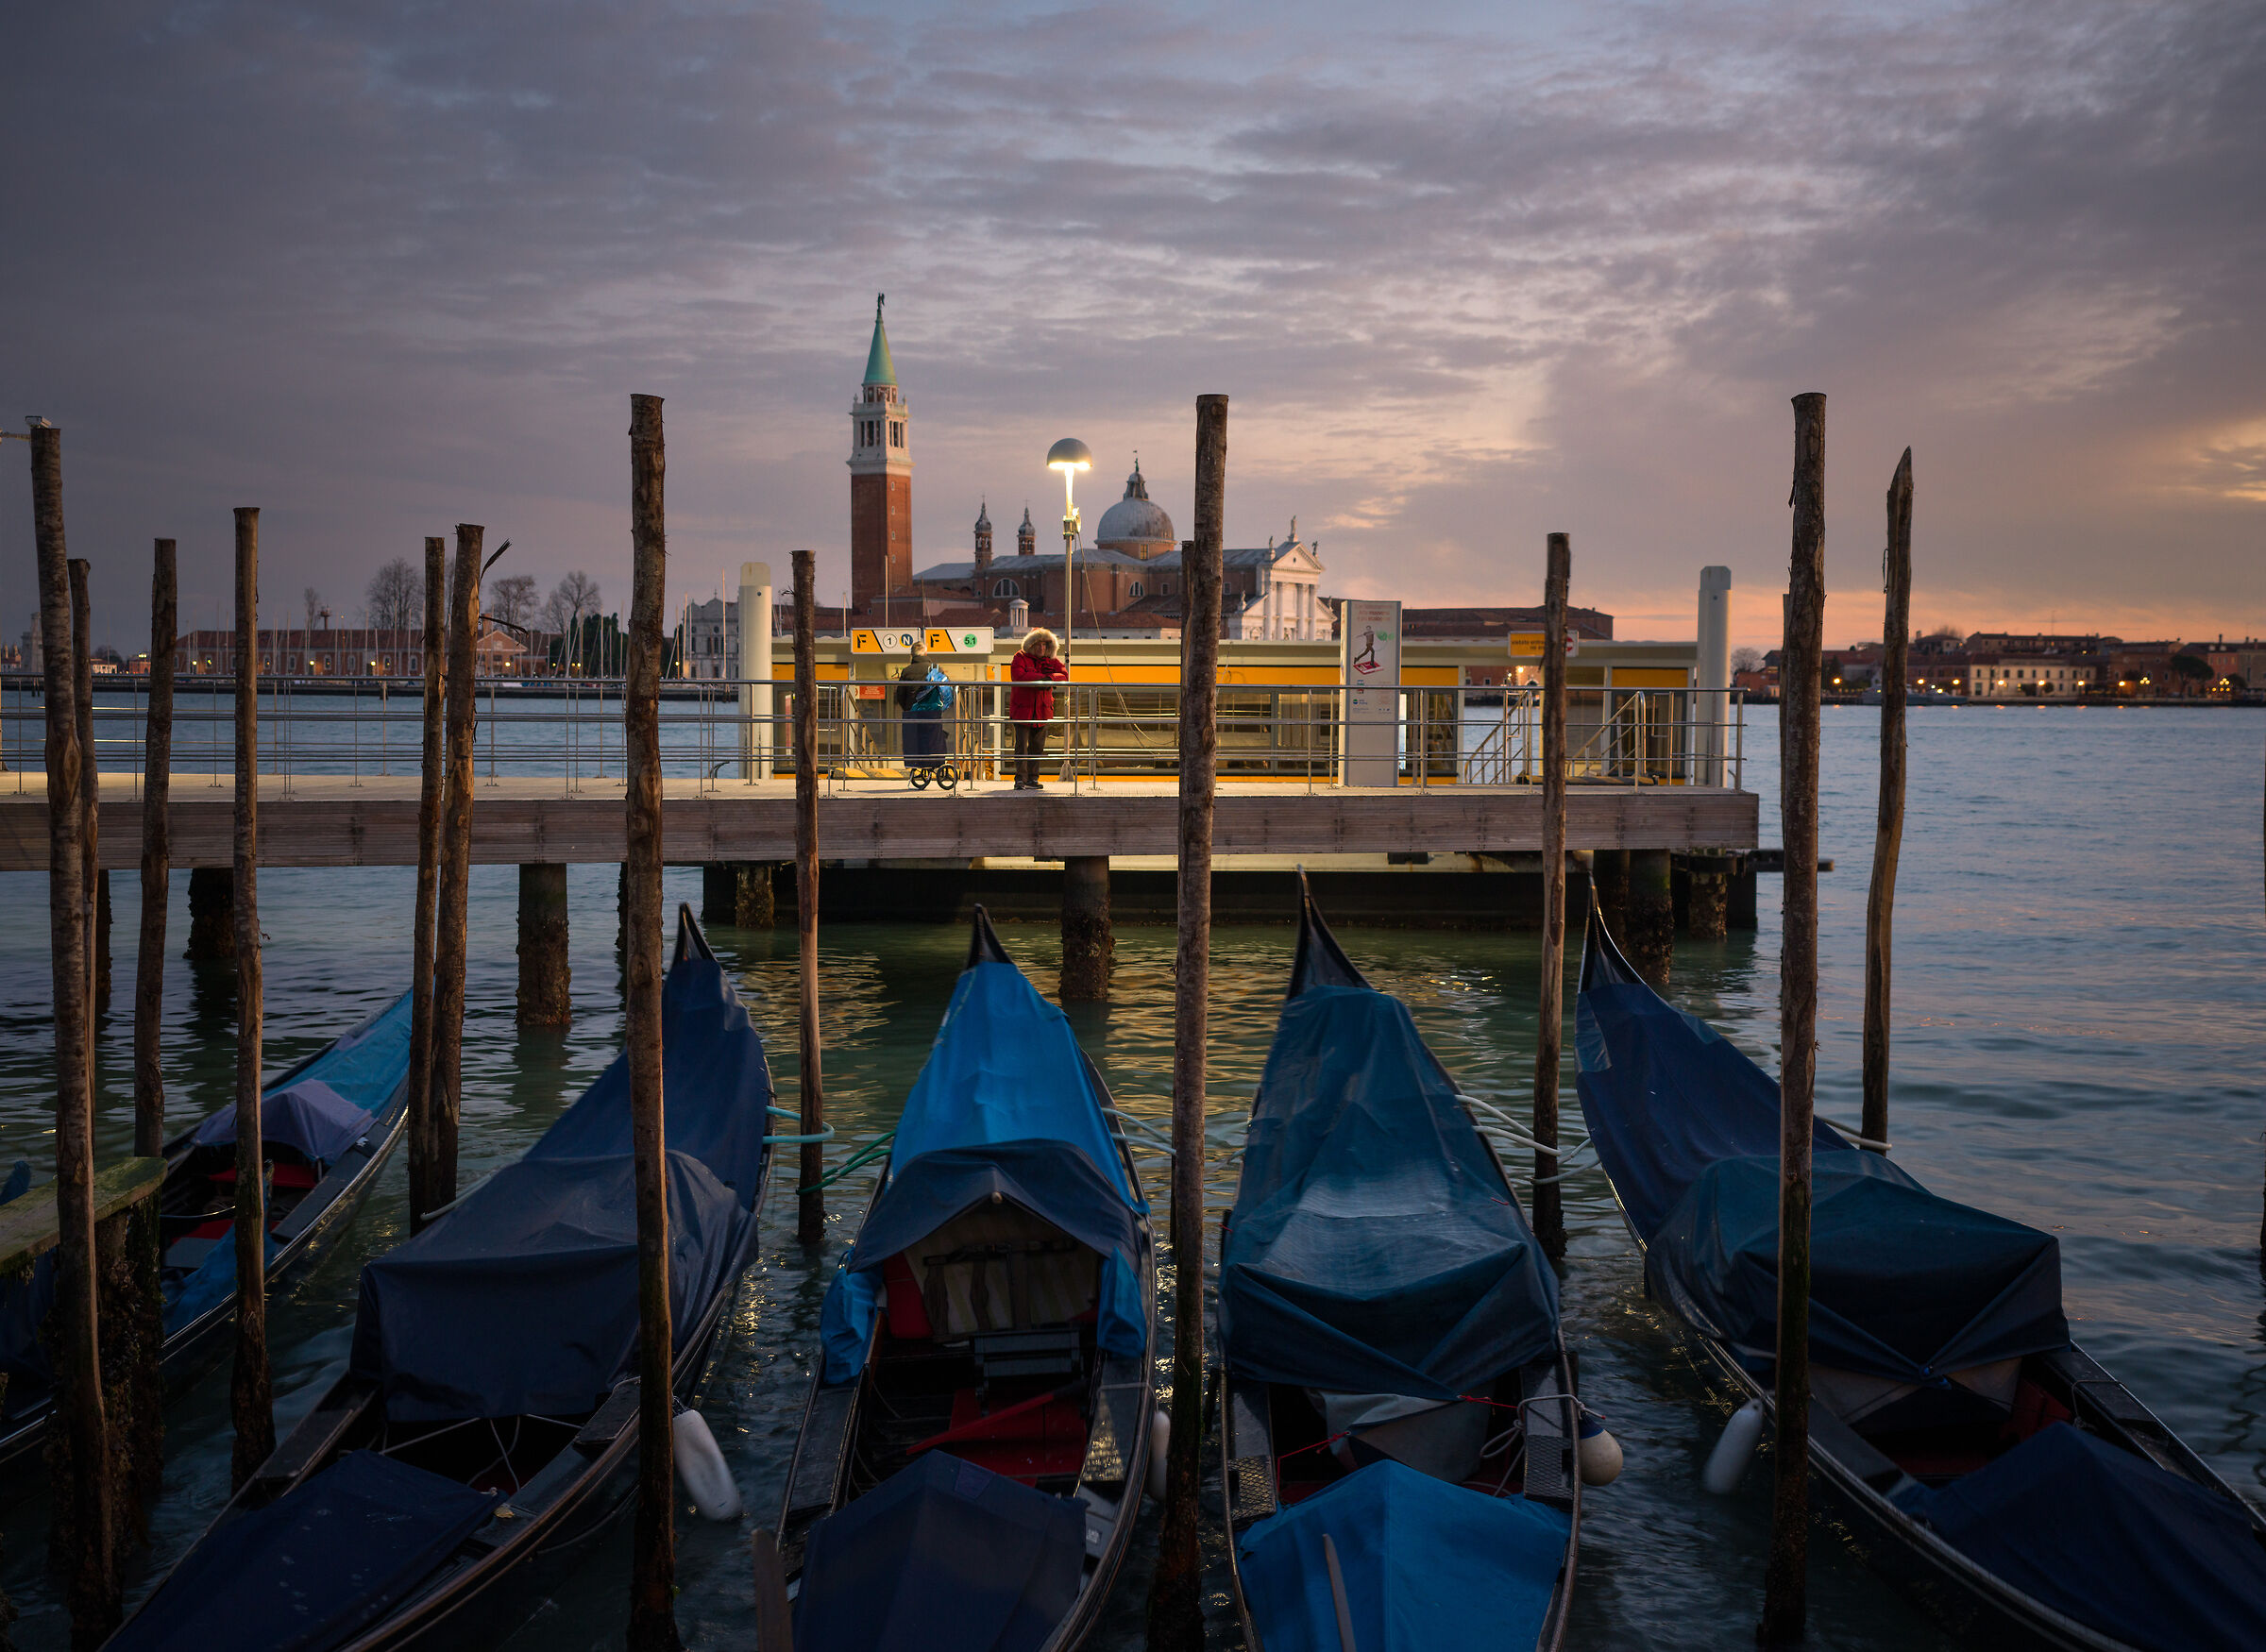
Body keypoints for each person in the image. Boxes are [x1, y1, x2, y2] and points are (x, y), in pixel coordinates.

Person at [1008, 629, 1067, 789]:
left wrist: (1049, 678)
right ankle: (1020, 779)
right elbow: (1018, 677)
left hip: (1041, 711)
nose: (1041, 648)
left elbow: (1065, 675)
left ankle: (1032, 779)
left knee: (1037, 747)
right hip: (1023, 711)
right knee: (1021, 747)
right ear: (1030, 645)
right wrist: (1045, 678)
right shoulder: (1019, 657)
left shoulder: (1051, 660)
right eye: (1038, 644)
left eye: (1044, 644)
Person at [894, 644, 955, 773]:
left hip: (913, 713)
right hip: (932, 712)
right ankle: (935, 763)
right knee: (933, 739)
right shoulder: (935, 669)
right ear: (926, 654)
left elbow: (900, 695)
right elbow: (945, 691)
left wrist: (909, 708)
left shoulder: (907, 671)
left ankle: (917, 764)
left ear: (912, 655)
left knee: (915, 741)